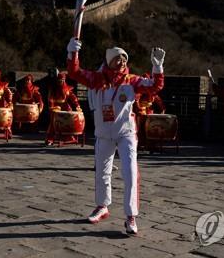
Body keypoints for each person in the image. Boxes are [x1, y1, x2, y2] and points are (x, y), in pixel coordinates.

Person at [66, 37, 165, 236]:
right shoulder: (96, 79)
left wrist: (158, 68)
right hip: (103, 134)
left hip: (126, 133)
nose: (122, 62)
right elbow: (74, 72)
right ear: (109, 61)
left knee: (129, 173)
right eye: (118, 59)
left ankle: (131, 217)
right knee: (102, 172)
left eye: (124, 59)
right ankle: (102, 207)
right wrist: (72, 53)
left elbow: (154, 87)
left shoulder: (132, 81)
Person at [46, 72, 81, 146]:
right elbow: (50, 99)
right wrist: (53, 107)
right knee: (53, 122)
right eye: (59, 80)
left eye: (62, 80)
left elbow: (73, 98)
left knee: (69, 119)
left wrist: (77, 105)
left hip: (65, 105)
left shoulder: (67, 88)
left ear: (64, 80)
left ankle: (70, 137)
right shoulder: (53, 89)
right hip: (56, 106)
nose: (60, 82)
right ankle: (50, 139)